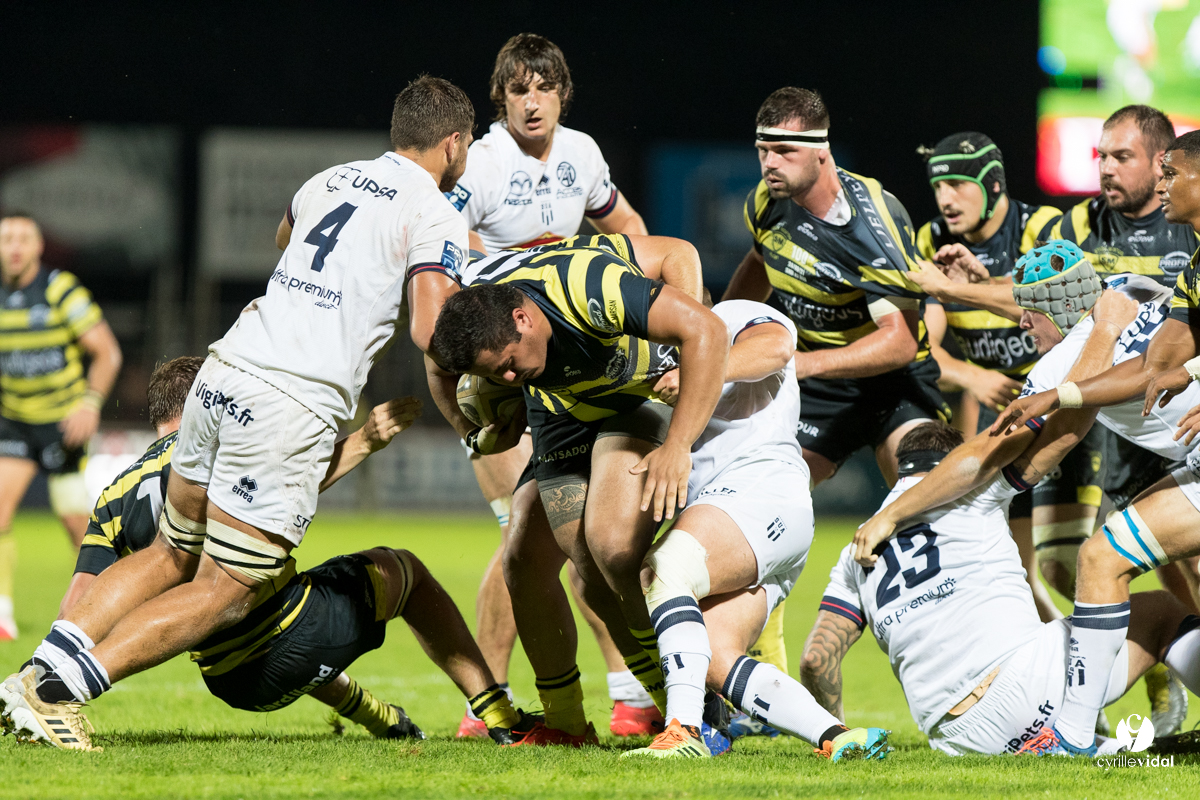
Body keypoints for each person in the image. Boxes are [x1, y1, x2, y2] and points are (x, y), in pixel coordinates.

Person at [0, 76, 506, 751]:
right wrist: (483, 348)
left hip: (225, 370)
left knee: (172, 552)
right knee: (228, 588)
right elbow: (427, 327)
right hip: (289, 400)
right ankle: (56, 692)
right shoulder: (435, 212)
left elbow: (284, 238)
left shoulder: (330, 178)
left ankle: (35, 673)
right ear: (455, 142)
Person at [2, 357, 531, 748]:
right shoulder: (223, 446)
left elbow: (80, 600)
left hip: (234, 684)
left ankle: (40, 681)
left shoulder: (115, 494)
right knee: (405, 573)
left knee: (254, 605)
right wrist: (365, 440)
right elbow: (289, 491)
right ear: (203, 405)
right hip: (298, 637)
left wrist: (43, 660)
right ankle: (498, 713)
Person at [428, 233, 729, 745]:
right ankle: (566, 722)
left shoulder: (585, 285)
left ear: (523, 319)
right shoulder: (477, 311)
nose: (505, 376)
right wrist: (472, 430)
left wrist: (679, 441)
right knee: (525, 559)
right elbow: (437, 362)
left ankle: (690, 712)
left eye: (506, 362)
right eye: (491, 373)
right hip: (563, 411)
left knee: (611, 546)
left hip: (634, 394)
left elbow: (705, 321)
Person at [446, 33, 657, 737]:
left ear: (562, 94)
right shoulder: (482, 162)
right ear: (499, 99)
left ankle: (626, 695)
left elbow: (625, 225)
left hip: (566, 361)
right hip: (498, 374)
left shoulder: (584, 154)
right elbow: (446, 245)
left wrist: (623, 277)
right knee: (529, 537)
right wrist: (520, 266)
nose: (531, 103)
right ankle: (497, 699)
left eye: (543, 89)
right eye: (517, 91)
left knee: (571, 543)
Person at [982, 133, 1200, 755]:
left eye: (1173, 175)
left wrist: (1057, 396)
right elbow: (1159, 365)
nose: (1162, 188)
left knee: (1101, 559)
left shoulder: (1065, 354)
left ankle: (1071, 734)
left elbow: (1048, 444)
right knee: (1108, 560)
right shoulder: (1178, 272)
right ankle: (1073, 732)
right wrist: (1068, 397)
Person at [804, 421, 1199, 756]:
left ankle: (1118, 750)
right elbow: (1062, 433)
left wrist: (839, 735)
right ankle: (1085, 738)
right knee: (1163, 611)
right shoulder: (973, 489)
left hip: (957, 737)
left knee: (1109, 746)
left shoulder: (853, 552)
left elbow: (815, 660)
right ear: (954, 462)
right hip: (1028, 681)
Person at [622, 299, 889, 761]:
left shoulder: (728, 315)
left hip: (758, 488)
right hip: (756, 518)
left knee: (666, 569)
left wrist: (697, 374)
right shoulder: (647, 358)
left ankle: (682, 731)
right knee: (714, 657)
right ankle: (838, 737)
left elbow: (777, 347)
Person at [724, 87, 949, 489]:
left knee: (922, 493)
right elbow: (759, 261)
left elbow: (900, 343)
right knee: (767, 492)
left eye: (784, 150)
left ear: (821, 151)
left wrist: (806, 364)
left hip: (892, 381)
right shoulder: (768, 201)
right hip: (820, 390)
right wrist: (722, 329)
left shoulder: (871, 227)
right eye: (763, 150)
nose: (769, 164)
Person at [912, 133, 1096, 624]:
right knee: (1010, 569)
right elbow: (920, 347)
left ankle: (1157, 656)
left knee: (1064, 567)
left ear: (992, 184)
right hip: (1007, 421)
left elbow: (1058, 302)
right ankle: (1064, 672)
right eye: (937, 186)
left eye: (957, 183)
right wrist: (968, 375)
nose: (945, 198)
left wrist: (960, 289)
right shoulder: (931, 241)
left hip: (1067, 408)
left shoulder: (1042, 227)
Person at [0, 213, 123, 639]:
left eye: (23, 238)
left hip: (61, 425)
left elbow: (108, 352)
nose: (14, 246)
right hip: (14, 422)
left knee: (76, 524)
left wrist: (90, 404)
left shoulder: (59, 289)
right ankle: (2, 616)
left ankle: (116, 601)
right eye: (6, 238)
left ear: (38, 247)